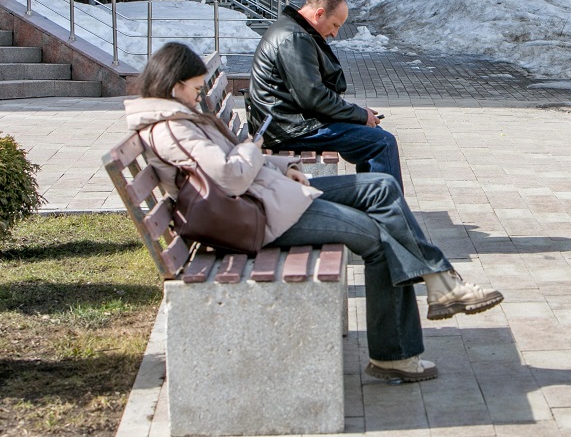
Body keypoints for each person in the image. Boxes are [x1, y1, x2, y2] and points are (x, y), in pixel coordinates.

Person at [125, 43, 504, 383]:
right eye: (194, 88)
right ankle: (402, 344)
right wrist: (255, 148)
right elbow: (232, 175)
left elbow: (231, 166)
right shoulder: (171, 129)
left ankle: (437, 287)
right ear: (175, 87)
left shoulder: (179, 120)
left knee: (381, 188)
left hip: (267, 199)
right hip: (254, 220)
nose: (198, 95)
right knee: (378, 238)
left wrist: (280, 165)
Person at [249, 0, 403, 190]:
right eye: (335, 25)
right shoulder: (294, 37)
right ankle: (388, 214)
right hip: (288, 129)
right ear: (319, 14)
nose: (334, 33)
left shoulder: (293, 30)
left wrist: (356, 114)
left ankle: (375, 206)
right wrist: (357, 114)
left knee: (374, 134)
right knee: (381, 142)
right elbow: (313, 97)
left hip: (286, 121)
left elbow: (311, 94)